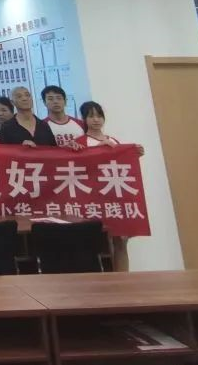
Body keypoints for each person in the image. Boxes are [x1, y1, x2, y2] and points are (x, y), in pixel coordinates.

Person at [75, 101, 144, 271]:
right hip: (94, 199)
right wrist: (96, 152)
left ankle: (123, 279)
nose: (96, 120)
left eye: (99, 116)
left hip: (115, 196)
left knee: (121, 241)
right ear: (84, 119)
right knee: (97, 244)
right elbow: (77, 169)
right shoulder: (80, 142)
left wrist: (135, 154)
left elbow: (123, 166)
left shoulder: (113, 140)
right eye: (91, 116)